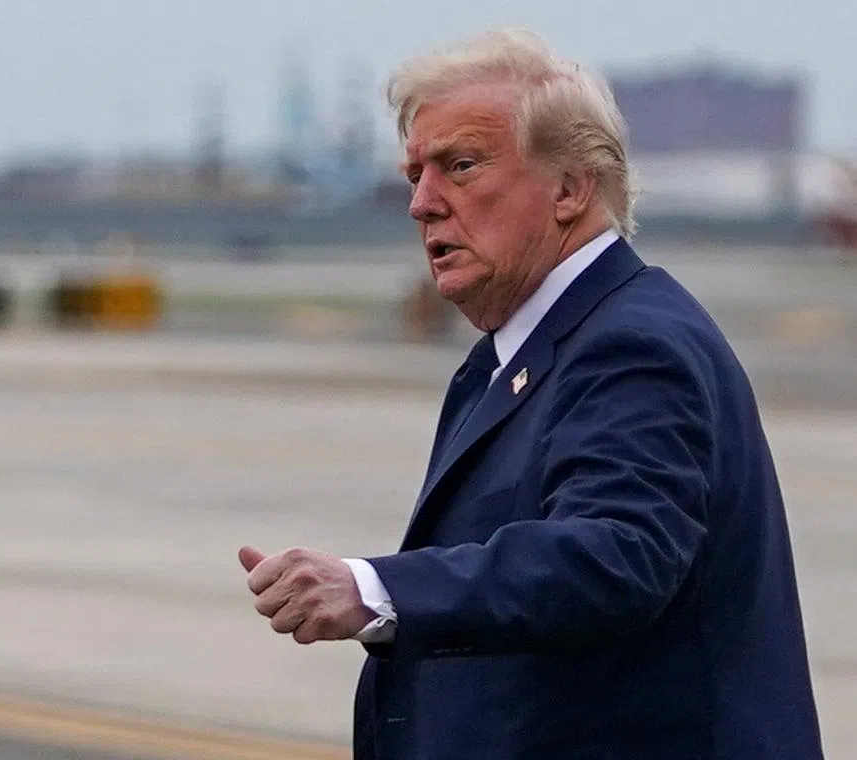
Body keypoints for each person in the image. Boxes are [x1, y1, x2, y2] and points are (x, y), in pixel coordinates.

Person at [238, 27, 824, 760]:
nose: (421, 203)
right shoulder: (513, 355)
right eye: (417, 173)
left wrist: (374, 589)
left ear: (571, 189)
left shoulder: (632, 345)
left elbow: (617, 555)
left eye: (461, 166)